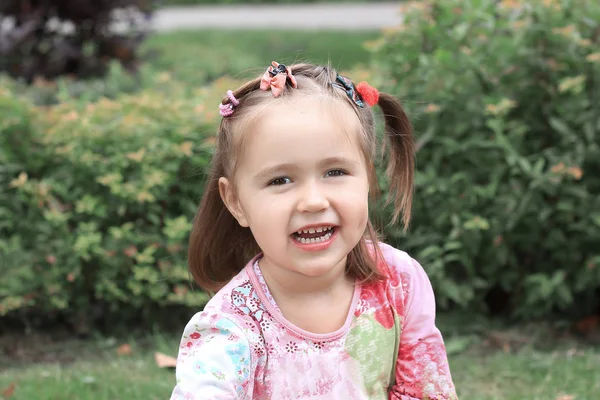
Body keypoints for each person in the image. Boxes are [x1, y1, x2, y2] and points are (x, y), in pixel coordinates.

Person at [170, 61, 458, 400]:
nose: (312, 201)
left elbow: (425, 391)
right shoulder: (230, 331)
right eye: (280, 180)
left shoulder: (399, 282)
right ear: (235, 201)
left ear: (367, 176)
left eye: (335, 172)